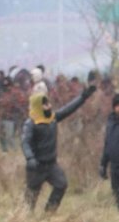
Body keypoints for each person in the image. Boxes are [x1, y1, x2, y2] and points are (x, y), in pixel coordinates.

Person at [21, 84, 97, 212]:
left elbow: (68, 109)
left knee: (61, 185)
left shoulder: (52, 118)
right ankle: (24, 221)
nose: (49, 106)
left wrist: (83, 97)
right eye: (45, 105)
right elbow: (25, 142)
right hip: (36, 166)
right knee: (31, 197)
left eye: (48, 103)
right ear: (38, 107)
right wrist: (30, 158)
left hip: (51, 165)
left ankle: (49, 212)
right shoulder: (31, 124)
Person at [0, 72, 28, 152]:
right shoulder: (2, 93)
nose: (7, 87)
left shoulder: (16, 93)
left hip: (11, 118)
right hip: (3, 117)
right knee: (2, 136)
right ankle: (6, 151)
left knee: (9, 137)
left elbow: (22, 103)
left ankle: (13, 151)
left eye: (8, 85)